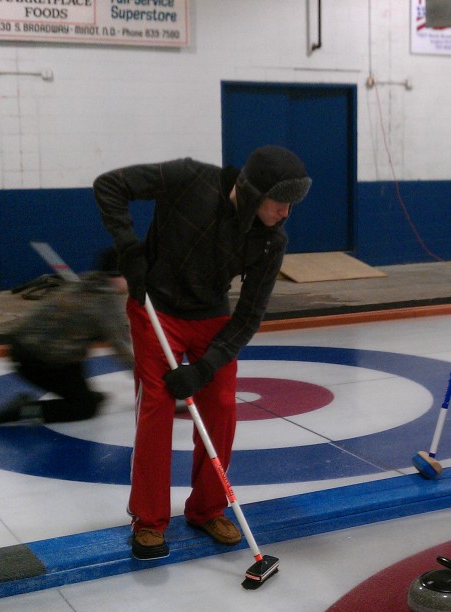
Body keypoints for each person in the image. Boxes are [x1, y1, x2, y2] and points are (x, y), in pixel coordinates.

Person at [93, 145, 311, 560]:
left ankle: (207, 508)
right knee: (156, 408)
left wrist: (206, 367)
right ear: (251, 191)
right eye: (279, 202)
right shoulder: (190, 177)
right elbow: (110, 186)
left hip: (212, 316)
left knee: (222, 407)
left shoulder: (270, 240)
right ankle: (149, 519)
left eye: (291, 205)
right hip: (155, 307)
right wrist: (128, 248)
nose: (285, 213)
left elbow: (248, 315)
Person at [0, 250, 134, 425]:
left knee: (88, 394)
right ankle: (25, 409)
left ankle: (79, 395)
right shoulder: (104, 303)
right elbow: (123, 350)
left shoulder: (89, 281)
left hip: (35, 348)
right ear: (119, 276)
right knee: (85, 407)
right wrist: (158, 385)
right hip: (36, 358)